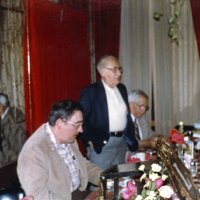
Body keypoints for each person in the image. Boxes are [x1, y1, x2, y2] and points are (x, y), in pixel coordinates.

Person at [17, 100, 102, 200]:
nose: (81, 130)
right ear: (59, 124)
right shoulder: (34, 152)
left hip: (78, 194)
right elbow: (39, 195)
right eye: (77, 125)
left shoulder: (68, 138)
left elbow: (82, 166)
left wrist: (107, 178)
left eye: (81, 124)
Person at [79, 55, 138, 170]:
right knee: (100, 180)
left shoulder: (122, 89)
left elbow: (127, 116)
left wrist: (131, 138)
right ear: (102, 72)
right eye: (114, 69)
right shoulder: (91, 91)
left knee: (118, 178)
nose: (119, 73)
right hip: (102, 143)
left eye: (120, 69)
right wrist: (88, 140)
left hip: (121, 142)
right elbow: (81, 118)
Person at [0, 92, 25, 165]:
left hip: (11, 165)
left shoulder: (12, 121)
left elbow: (11, 151)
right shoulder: (12, 115)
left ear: (1, 107)